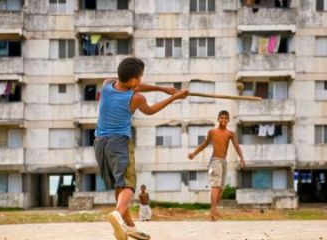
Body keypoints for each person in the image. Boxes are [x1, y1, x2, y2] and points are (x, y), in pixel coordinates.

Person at [94, 57, 188, 240]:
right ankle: (117, 214)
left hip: (99, 143)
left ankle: (130, 227)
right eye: (141, 78)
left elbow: (133, 85)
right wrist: (173, 97)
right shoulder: (136, 98)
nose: (141, 81)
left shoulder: (107, 85)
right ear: (135, 80)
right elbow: (150, 110)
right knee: (129, 185)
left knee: (118, 186)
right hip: (119, 142)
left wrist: (162, 89)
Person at [188, 110, 245, 221]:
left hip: (224, 162)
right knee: (216, 185)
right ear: (218, 119)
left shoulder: (230, 134)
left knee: (221, 188)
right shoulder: (212, 132)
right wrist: (194, 153)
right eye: (221, 118)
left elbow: (237, 146)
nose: (223, 120)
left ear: (228, 120)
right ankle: (214, 210)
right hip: (215, 161)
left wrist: (242, 158)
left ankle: (213, 212)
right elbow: (204, 144)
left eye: (225, 118)